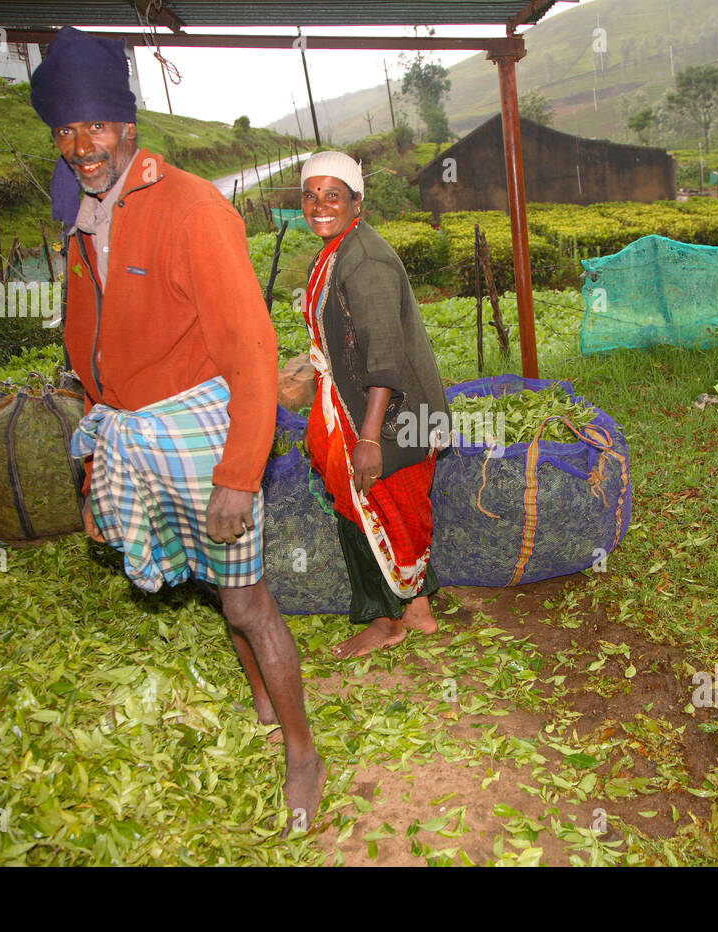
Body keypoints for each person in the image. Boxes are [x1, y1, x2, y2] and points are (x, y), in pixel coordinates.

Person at [30, 27, 323, 829]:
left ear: (128, 123)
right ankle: (261, 700)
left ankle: (303, 750)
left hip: (202, 433)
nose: (80, 145)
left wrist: (237, 474)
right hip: (132, 433)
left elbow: (253, 352)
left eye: (93, 125)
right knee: (203, 580)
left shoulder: (193, 209)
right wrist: (98, 464)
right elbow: (87, 358)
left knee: (246, 603)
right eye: (64, 130)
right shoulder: (83, 219)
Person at [299, 151, 449, 659]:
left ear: (356, 201)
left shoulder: (364, 260)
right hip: (370, 410)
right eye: (311, 195)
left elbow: (384, 358)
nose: (320, 205)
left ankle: (386, 622)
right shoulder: (339, 249)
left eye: (333, 195)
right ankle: (418, 611)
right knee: (389, 512)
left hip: (389, 418)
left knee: (372, 510)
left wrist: (367, 440)